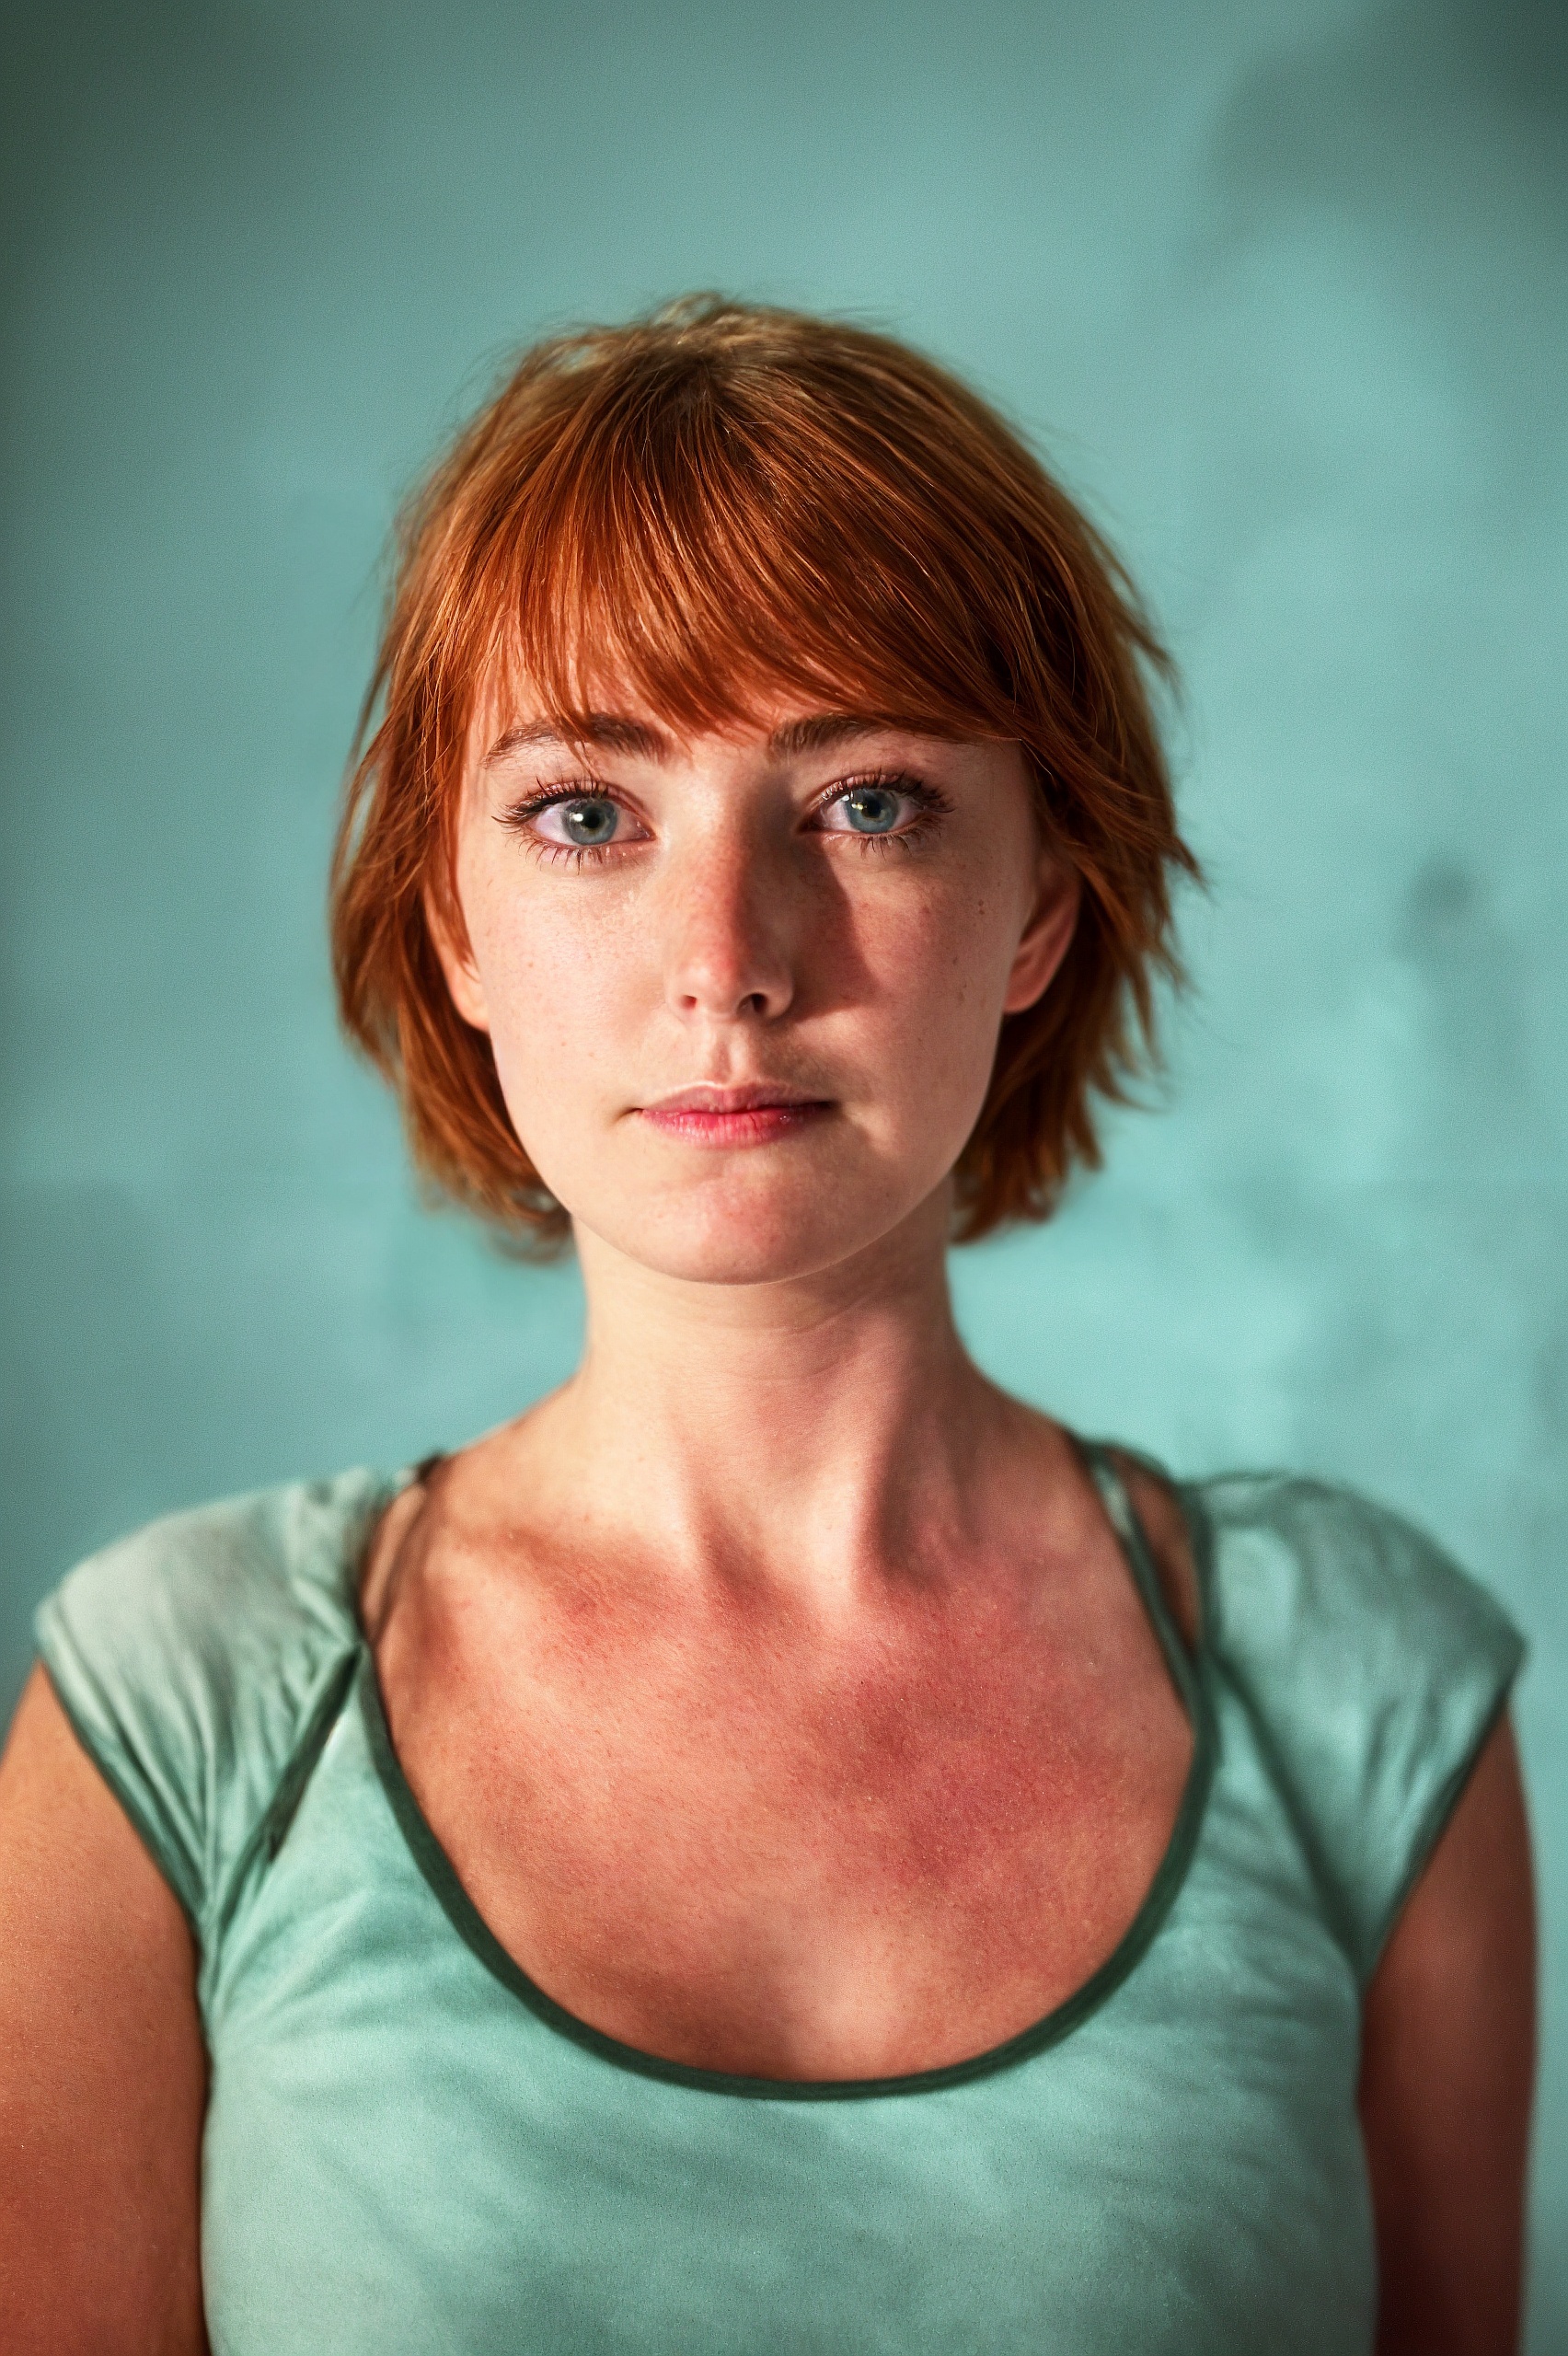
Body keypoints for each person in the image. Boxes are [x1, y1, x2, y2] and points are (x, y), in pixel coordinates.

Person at [0, 297, 1535, 2356]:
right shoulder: (174, 1709)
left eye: (871, 801)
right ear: (452, 917)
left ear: (1045, 910)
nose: (727, 961)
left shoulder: (1371, 1696)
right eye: (585, 811)